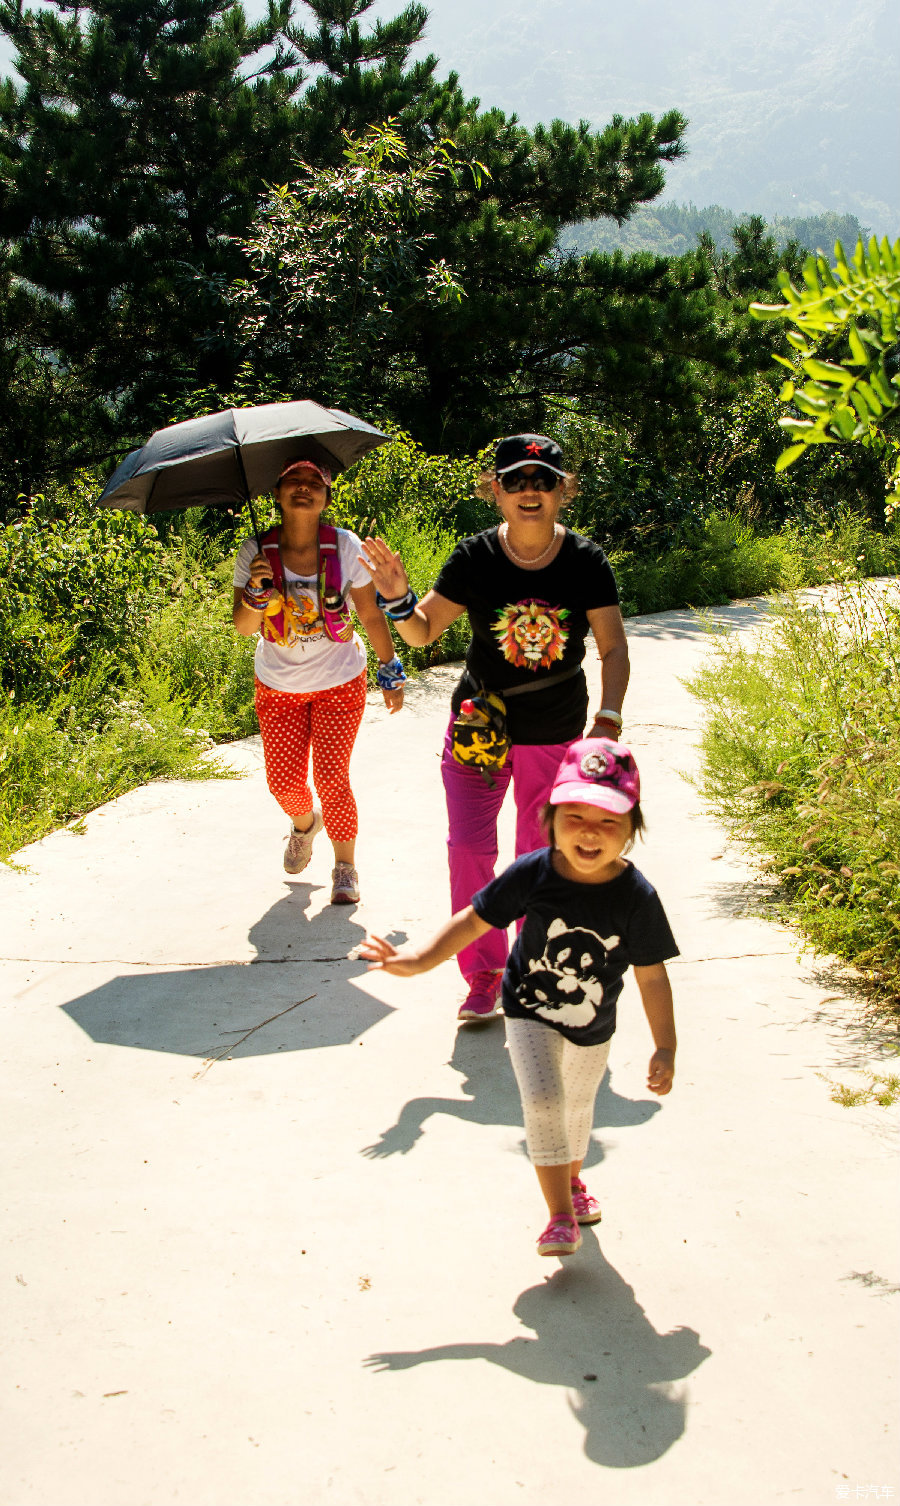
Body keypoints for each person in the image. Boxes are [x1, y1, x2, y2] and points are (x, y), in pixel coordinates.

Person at [359, 738, 678, 1257]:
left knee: (576, 1109)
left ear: (631, 829)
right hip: (528, 1011)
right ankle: (558, 1216)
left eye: (609, 821)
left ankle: (572, 1184)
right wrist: (417, 961)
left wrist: (665, 1046)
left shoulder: (636, 897)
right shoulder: (533, 873)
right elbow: (473, 921)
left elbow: (652, 977)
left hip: (594, 1026)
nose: (590, 832)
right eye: (575, 816)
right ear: (549, 818)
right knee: (546, 1101)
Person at [361, 433, 630, 1021]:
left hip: (556, 732)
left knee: (539, 853)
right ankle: (481, 977)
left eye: (542, 480)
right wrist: (399, 599)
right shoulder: (475, 557)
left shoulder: (585, 561)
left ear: (563, 491)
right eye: (515, 480)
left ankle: (531, 971)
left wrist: (608, 718)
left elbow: (613, 649)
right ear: (495, 492)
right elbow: (423, 631)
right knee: (469, 850)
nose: (529, 490)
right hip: (478, 728)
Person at [233, 456, 405, 904]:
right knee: (284, 783)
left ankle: (345, 867)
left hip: (340, 680)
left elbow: (369, 612)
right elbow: (245, 627)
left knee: (332, 778)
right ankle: (305, 825)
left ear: (327, 496)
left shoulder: (345, 548)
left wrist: (390, 670)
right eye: (294, 480)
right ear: (278, 492)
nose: (304, 488)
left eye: (315, 482)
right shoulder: (255, 552)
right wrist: (256, 591)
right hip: (278, 685)